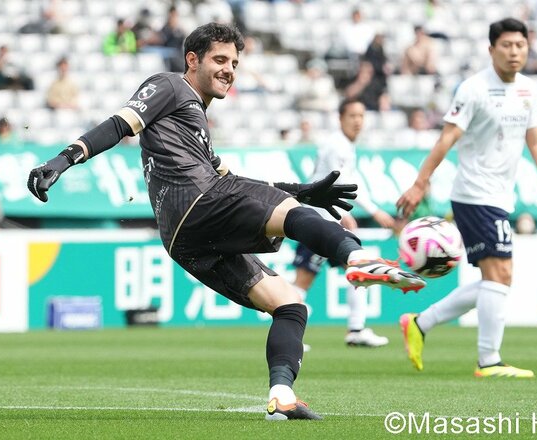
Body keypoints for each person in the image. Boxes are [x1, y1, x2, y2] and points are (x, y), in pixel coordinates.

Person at [26, 23, 425, 421]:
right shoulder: (169, 85)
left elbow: (237, 181)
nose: (229, 69)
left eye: (234, 62)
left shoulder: (196, 124)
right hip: (198, 202)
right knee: (290, 215)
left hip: (186, 238)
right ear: (192, 59)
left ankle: (282, 398)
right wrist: (63, 160)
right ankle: (355, 258)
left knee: (289, 304)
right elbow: (118, 124)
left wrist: (302, 190)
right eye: (220, 59)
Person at [396, 18, 537, 379]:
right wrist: (420, 183)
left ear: (527, 48)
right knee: (501, 274)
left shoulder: (527, 90)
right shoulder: (474, 89)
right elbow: (446, 138)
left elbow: (536, 141)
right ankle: (488, 361)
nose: (514, 52)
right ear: (491, 49)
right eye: (507, 45)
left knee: (496, 280)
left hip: (499, 195)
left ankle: (420, 323)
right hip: (475, 194)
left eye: (520, 45)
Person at [293, 98, 396, 348]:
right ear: (340, 118)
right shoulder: (336, 146)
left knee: (358, 268)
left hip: (329, 219)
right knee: (304, 279)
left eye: (361, 116)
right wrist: (374, 211)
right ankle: (289, 335)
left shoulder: (346, 146)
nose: (358, 121)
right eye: (352, 116)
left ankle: (356, 329)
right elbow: (341, 183)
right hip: (317, 220)